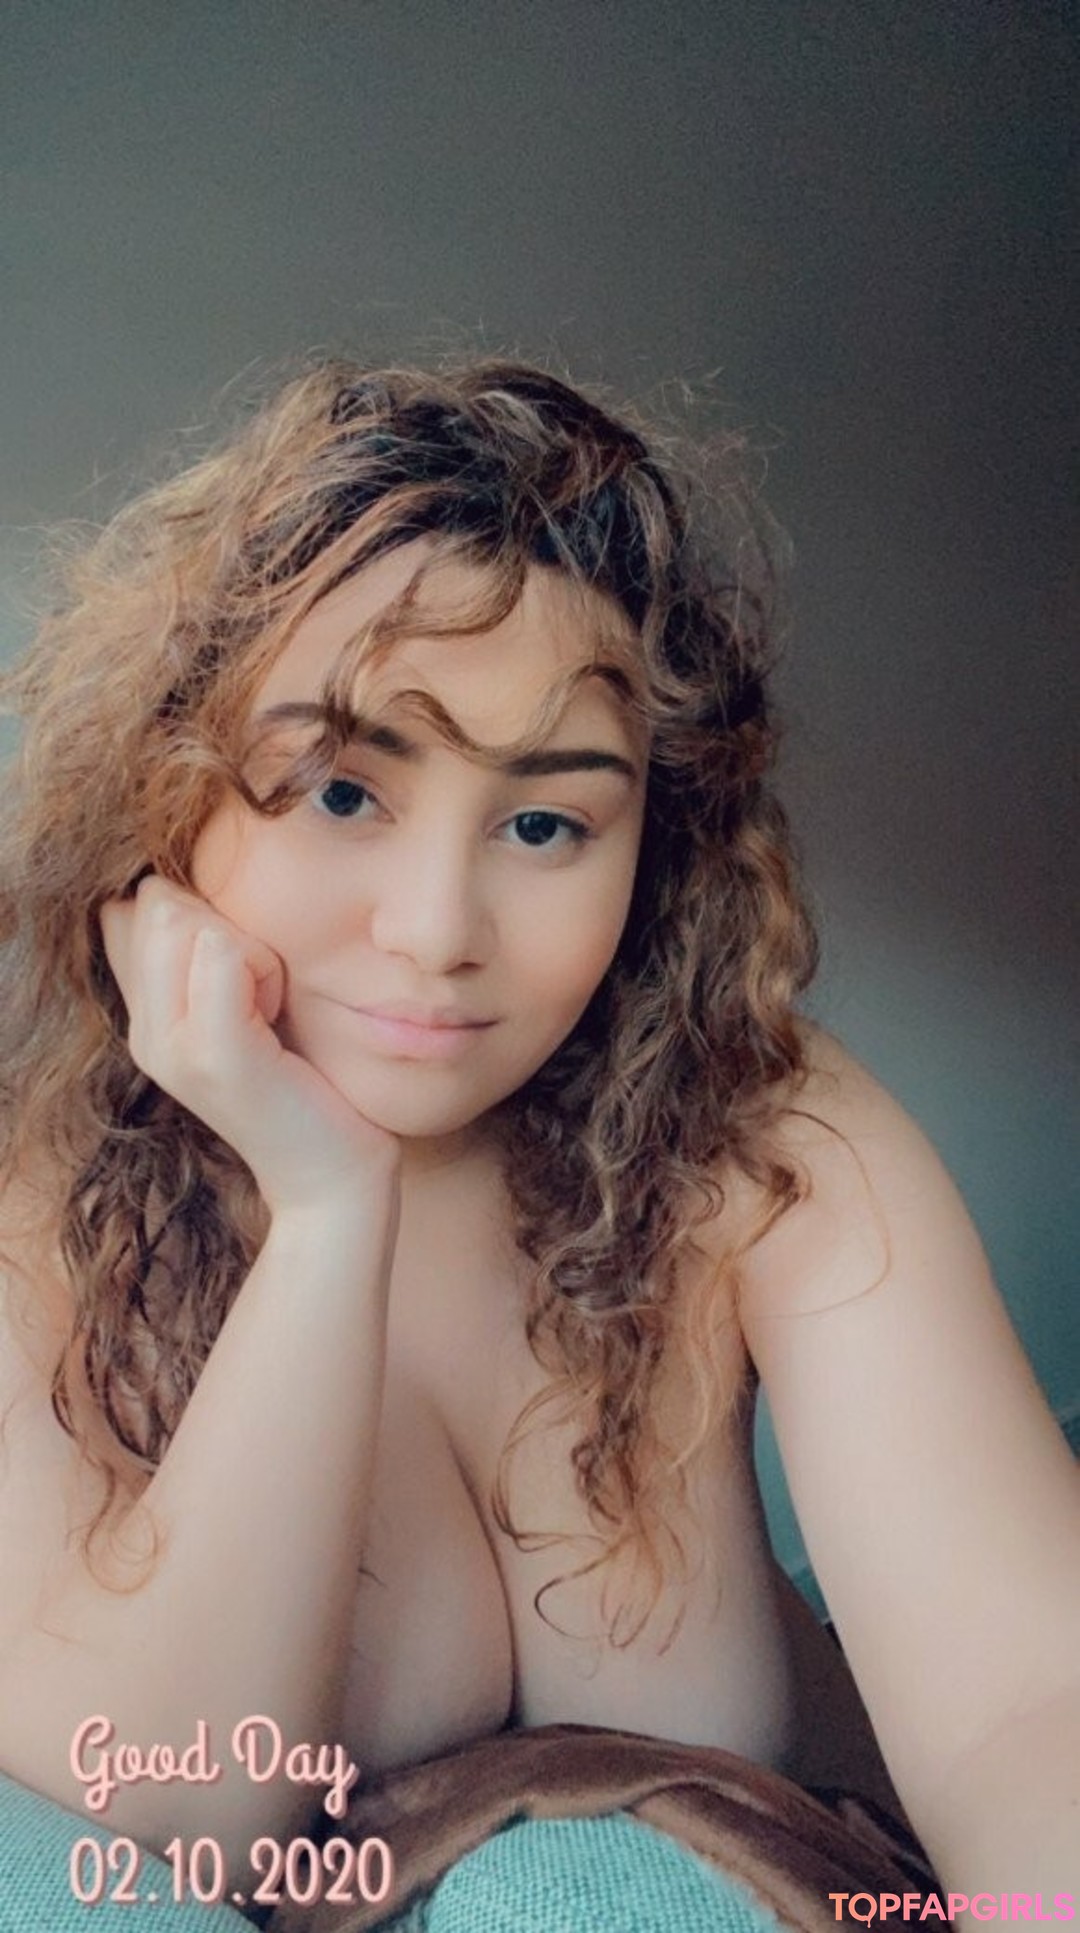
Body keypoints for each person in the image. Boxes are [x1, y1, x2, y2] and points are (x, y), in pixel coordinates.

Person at [0, 360, 1075, 1918]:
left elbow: (1031, 1709)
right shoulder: (39, 1208)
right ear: (169, 790)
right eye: (345, 791)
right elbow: (171, 1826)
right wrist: (326, 1207)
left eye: (544, 823)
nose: (439, 930)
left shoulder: (755, 1137)